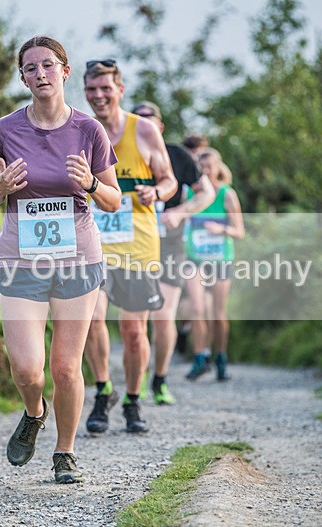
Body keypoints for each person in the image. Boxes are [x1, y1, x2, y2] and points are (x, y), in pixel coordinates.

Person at [0, 36, 121, 483]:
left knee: (65, 365)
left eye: (47, 65)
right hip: (21, 258)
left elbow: (115, 200)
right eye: (30, 68)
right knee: (27, 369)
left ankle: (65, 453)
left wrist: (91, 185)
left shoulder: (88, 130)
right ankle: (34, 412)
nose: (39, 74)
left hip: (77, 257)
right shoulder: (5, 129)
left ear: (65, 71)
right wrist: (0, 189)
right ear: (22, 77)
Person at [83, 60, 177, 434]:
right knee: (92, 319)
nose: (98, 96)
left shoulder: (144, 131)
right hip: (92, 242)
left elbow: (169, 180)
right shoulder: (80, 129)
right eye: (92, 89)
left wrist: (157, 191)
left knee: (135, 331)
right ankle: (103, 389)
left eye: (106, 88)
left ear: (120, 90)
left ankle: (134, 400)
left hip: (138, 242)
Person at [130, 101, 214, 405]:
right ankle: (134, 381)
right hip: (133, 246)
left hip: (170, 244)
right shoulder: (119, 153)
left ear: (160, 127)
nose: (144, 126)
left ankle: (160, 378)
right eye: (137, 121)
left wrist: (181, 212)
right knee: (136, 320)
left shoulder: (177, 155)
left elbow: (207, 192)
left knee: (163, 316)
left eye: (149, 122)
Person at [184, 151, 245, 381]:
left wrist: (223, 229)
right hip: (194, 259)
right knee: (196, 309)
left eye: (210, 167)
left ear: (219, 168)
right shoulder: (191, 193)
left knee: (219, 314)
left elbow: (240, 231)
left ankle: (221, 356)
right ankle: (200, 357)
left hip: (220, 260)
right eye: (202, 167)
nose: (206, 171)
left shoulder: (227, 195)